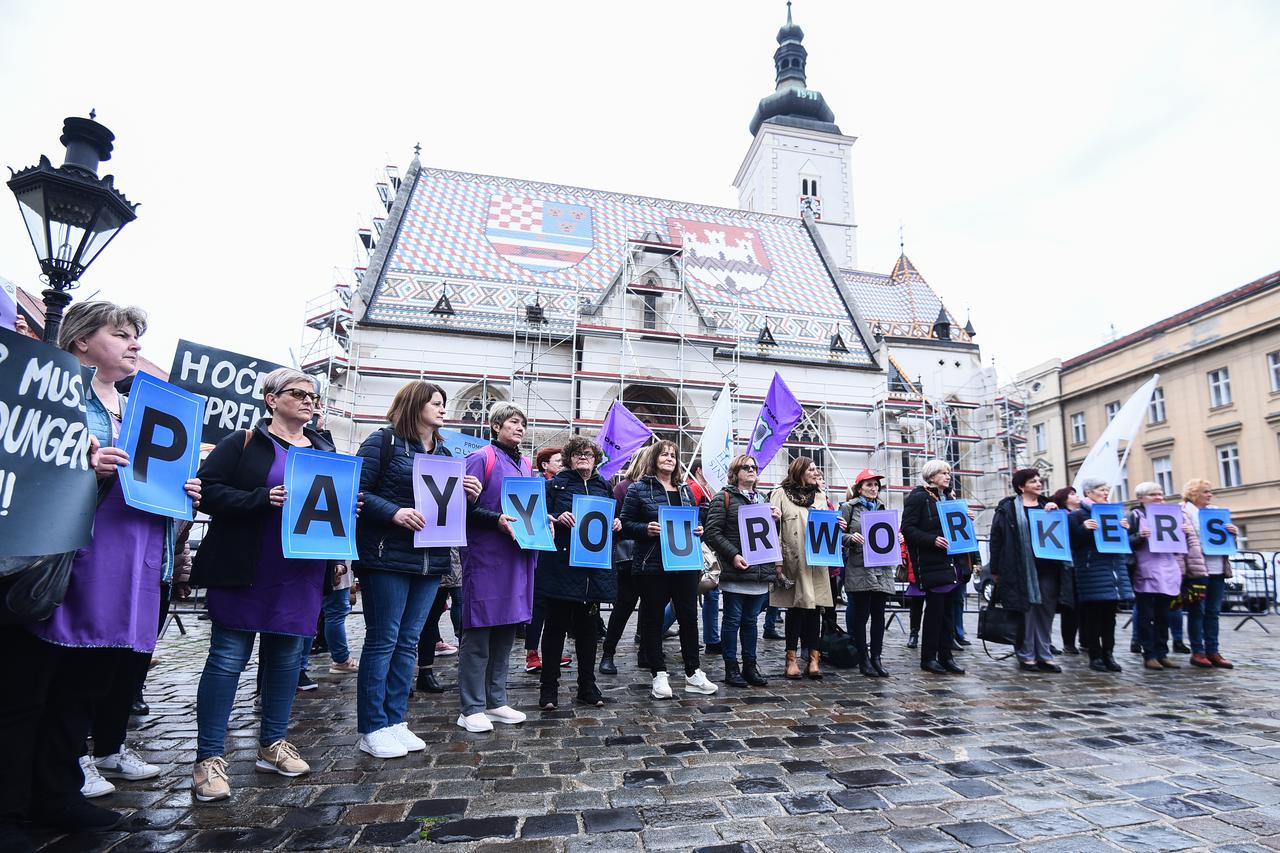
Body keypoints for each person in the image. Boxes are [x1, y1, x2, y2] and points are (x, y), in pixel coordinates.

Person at [1, 302, 201, 844]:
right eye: (122, 334)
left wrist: (182, 491)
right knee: (31, 691)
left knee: (84, 690)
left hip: (131, 564)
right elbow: (24, 467)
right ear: (82, 341)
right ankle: (10, 810)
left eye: (137, 335)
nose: (135, 344)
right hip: (67, 561)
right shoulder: (55, 396)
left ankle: (57, 794)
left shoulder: (143, 408)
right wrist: (79, 471)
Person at [190, 368, 331, 802]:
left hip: (301, 570)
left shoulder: (325, 449)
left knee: (288, 657)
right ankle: (209, 759)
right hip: (246, 565)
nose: (309, 401)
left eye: (313, 396)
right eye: (298, 393)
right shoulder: (244, 443)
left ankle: (273, 744)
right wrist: (259, 500)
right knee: (228, 657)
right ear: (271, 399)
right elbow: (205, 491)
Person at [353, 380, 481, 757]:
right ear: (414, 405)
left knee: (408, 641)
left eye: (443, 403)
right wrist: (393, 512)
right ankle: (371, 726)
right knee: (383, 640)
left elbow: (449, 512)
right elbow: (357, 491)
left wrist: (468, 496)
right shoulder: (383, 441)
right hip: (386, 555)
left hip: (431, 559)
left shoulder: (444, 451)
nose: (443, 409)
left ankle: (395, 720)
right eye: (436, 403)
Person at [456, 402, 538, 732]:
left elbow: (528, 506)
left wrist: (539, 520)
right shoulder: (481, 458)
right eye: (513, 422)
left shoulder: (526, 464)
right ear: (495, 426)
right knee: (479, 632)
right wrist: (496, 521)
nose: (520, 428)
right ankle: (471, 706)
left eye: (523, 423)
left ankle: (496, 700)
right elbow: (461, 506)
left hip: (517, 555)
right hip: (486, 555)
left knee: (507, 629)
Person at [621, 439, 717, 698]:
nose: (669, 458)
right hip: (653, 563)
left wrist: (698, 530)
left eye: (673, 455)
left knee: (688, 617)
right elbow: (626, 522)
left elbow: (690, 522)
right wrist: (646, 528)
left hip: (684, 563)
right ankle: (659, 675)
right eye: (664, 454)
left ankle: (693, 673)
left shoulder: (685, 489)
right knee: (652, 619)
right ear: (654, 459)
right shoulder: (639, 489)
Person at [538, 437, 619, 708]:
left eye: (588, 454)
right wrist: (556, 517)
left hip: (592, 570)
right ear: (570, 458)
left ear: (596, 459)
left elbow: (608, 523)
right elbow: (541, 515)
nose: (583, 458)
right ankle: (548, 688)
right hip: (562, 566)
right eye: (577, 454)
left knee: (587, 630)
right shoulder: (556, 484)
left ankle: (587, 686)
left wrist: (615, 523)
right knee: (555, 628)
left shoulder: (603, 486)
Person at [702, 454, 777, 688]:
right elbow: (712, 532)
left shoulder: (764, 498)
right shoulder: (723, 497)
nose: (752, 470)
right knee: (732, 620)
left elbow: (768, 536)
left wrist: (776, 520)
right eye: (746, 467)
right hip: (736, 570)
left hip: (759, 571)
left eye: (754, 467)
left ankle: (750, 666)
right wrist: (733, 555)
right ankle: (731, 667)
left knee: (751, 621)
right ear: (736, 472)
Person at [989, 469, 1067, 673]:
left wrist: (1057, 512)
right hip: (1018, 568)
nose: (1038, 484)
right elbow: (996, 539)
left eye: (1039, 480)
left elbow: (1062, 534)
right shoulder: (1007, 509)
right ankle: (1026, 654)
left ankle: (1044, 654)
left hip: (1047, 568)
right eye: (1033, 481)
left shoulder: (1047, 506)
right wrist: (995, 568)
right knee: (1025, 613)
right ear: (1021, 486)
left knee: (1045, 613)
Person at [771, 457, 837, 680]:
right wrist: (777, 561)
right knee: (795, 608)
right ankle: (791, 659)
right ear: (799, 470)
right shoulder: (780, 493)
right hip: (792, 559)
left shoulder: (819, 495)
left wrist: (837, 525)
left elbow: (827, 523)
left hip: (816, 561)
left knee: (815, 609)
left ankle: (814, 659)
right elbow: (774, 529)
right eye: (811, 469)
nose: (815, 472)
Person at [901, 460, 967, 675]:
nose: (948, 476)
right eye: (943, 472)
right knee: (935, 612)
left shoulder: (948, 497)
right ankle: (928, 657)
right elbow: (908, 529)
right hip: (931, 563)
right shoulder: (919, 497)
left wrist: (965, 518)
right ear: (931, 475)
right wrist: (932, 540)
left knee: (948, 613)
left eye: (948, 472)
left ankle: (946, 656)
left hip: (950, 563)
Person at [1067, 478, 1132, 673]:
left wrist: (1126, 530)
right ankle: (1095, 655)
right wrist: (1084, 530)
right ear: (1089, 493)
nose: (1106, 493)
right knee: (1093, 617)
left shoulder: (1114, 514)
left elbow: (1121, 545)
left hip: (1112, 571)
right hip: (1091, 570)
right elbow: (1074, 543)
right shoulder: (1078, 515)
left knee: (1110, 617)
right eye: (1102, 490)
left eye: (1107, 490)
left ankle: (1109, 654)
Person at [599, 446, 654, 675]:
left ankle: (645, 652)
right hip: (630, 558)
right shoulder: (623, 488)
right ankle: (608, 654)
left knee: (651, 608)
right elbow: (618, 523)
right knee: (623, 607)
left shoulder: (656, 488)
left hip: (653, 558)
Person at [840, 469, 898, 678]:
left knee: (879, 615)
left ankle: (877, 657)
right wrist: (850, 538)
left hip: (881, 569)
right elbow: (838, 535)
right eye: (869, 485)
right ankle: (863, 658)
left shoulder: (883, 508)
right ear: (859, 488)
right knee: (861, 615)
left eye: (876, 485)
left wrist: (896, 539)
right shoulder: (848, 508)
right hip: (859, 567)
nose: (873, 489)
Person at [1128, 482, 1188, 670]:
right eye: (1153, 494)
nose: (1159, 498)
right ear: (1141, 498)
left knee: (1164, 615)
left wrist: (1184, 534)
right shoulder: (1136, 515)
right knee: (1146, 615)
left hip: (1168, 569)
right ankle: (1149, 654)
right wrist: (1139, 535)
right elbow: (1126, 541)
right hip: (1146, 569)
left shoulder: (1171, 515)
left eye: (1161, 494)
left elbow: (1178, 546)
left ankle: (1162, 652)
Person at [1181, 479, 1237, 669]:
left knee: (1213, 612)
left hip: (1217, 568)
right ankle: (1198, 651)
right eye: (1205, 491)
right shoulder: (1183, 512)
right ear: (1194, 493)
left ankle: (1213, 650)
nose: (1209, 494)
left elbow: (1224, 541)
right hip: (1198, 570)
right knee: (1198, 611)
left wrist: (1232, 532)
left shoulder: (1216, 511)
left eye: (1210, 491)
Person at [525, 447, 568, 673]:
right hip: (540, 550)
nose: (561, 464)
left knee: (554, 603)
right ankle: (532, 653)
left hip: (558, 550)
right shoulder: (538, 484)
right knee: (539, 603)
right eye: (558, 461)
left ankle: (551, 650)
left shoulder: (566, 486)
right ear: (544, 465)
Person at [416, 549, 463, 693]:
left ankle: (425, 671)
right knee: (413, 620)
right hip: (416, 557)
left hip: (445, 558)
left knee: (431, 618)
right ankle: (399, 674)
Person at [686, 459, 721, 655]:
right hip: (701, 547)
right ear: (699, 470)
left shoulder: (703, 489)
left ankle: (712, 639)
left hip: (703, 546)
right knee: (699, 593)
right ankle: (712, 639)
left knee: (705, 592)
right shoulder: (695, 488)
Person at [1049, 487, 1082, 655]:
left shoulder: (1082, 514)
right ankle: (1065, 642)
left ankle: (1080, 640)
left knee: (1077, 606)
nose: (1077, 496)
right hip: (1062, 565)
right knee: (1065, 605)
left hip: (1079, 564)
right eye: (1073, 494)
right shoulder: (1059, 515)